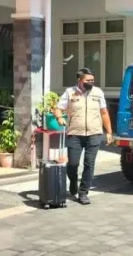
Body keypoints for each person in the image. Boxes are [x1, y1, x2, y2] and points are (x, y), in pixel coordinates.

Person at [53, 68, 113, 205]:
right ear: (80, 80)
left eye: (92, 80)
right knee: (73, 164)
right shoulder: (70, 93)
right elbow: (58, 108)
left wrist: (109, 132)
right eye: (88, 80)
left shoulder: (98, 93)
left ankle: (83, 192)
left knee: (89, 164)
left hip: (94, 134)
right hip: (75, 134)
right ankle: (73, 182)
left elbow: (104, 113)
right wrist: (59, 117)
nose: (91, 82)